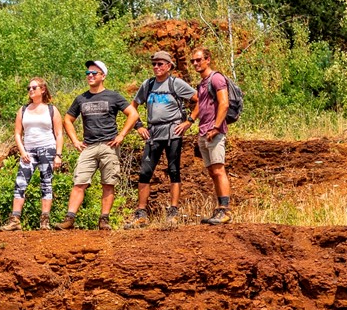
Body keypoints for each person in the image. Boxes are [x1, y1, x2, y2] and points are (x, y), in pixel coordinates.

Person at [55, 60, 140, 231]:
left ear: (103, 76)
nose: (90, 76)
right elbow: (67, 119)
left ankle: (104, 220)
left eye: (94, 73)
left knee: (108, 183)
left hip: (109, 146)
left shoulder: (113, 96)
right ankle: (69, 219)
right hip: (89, 146)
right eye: (88, 73)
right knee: (79, 182)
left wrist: (121, 135)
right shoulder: (81, 98)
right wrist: (75, 140)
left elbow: (133, 113)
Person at [124, 51, 196, 228]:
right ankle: (141, 214)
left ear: (169, 66)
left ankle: (173, 212)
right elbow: (132, 106)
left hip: (173, 132)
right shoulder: (147, 84)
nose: (156, 67)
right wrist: (139, 125)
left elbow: (199, 99)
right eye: (154, 64)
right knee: (145, 172)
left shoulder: (176, 83)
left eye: (160, 64)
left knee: (173, 170)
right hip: (153, 132)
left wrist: (189, 121)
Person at [0, 78, 64, 231]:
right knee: (20, 183)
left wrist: (58, 155)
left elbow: (59, 133)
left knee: (46, 183)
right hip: (28, 151)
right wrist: (22, 151)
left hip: (47, 149)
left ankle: (44, 221)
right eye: (29, 88)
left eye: (34, 87)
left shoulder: (51, 110)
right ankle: (15, 220)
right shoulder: (23, 110)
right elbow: (17, 133)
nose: (30, 90)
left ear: (42, 89)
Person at [189, 48, 232, 224]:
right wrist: (190, 121)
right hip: (204, 132)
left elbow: (224, 103)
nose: (195, 64)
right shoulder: (202, 83)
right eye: (193, 61)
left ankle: (225, 210)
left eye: (198, 60)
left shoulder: (216, 78)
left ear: (208, 59)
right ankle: (219, 209)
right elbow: (201, 105)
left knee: (219, 169)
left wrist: (215, 127)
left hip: (214, 132)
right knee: (213, 172)